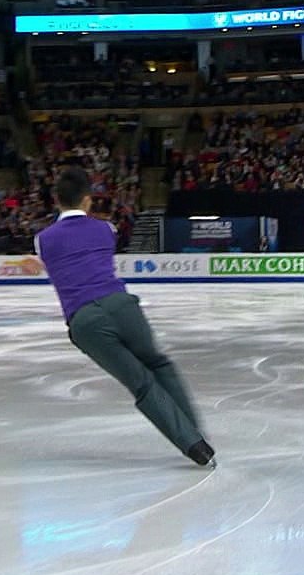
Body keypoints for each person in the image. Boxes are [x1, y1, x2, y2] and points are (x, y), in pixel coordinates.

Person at [34, 167, 215, 468]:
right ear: (88, 200)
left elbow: (59, 253)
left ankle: (194, 446)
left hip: (85, 321)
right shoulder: (108, 230)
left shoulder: (43, 239)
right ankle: (194, 428)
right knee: (158, 364)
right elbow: (87, 252)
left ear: (56, 200)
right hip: (122, 306)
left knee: (141, 383)